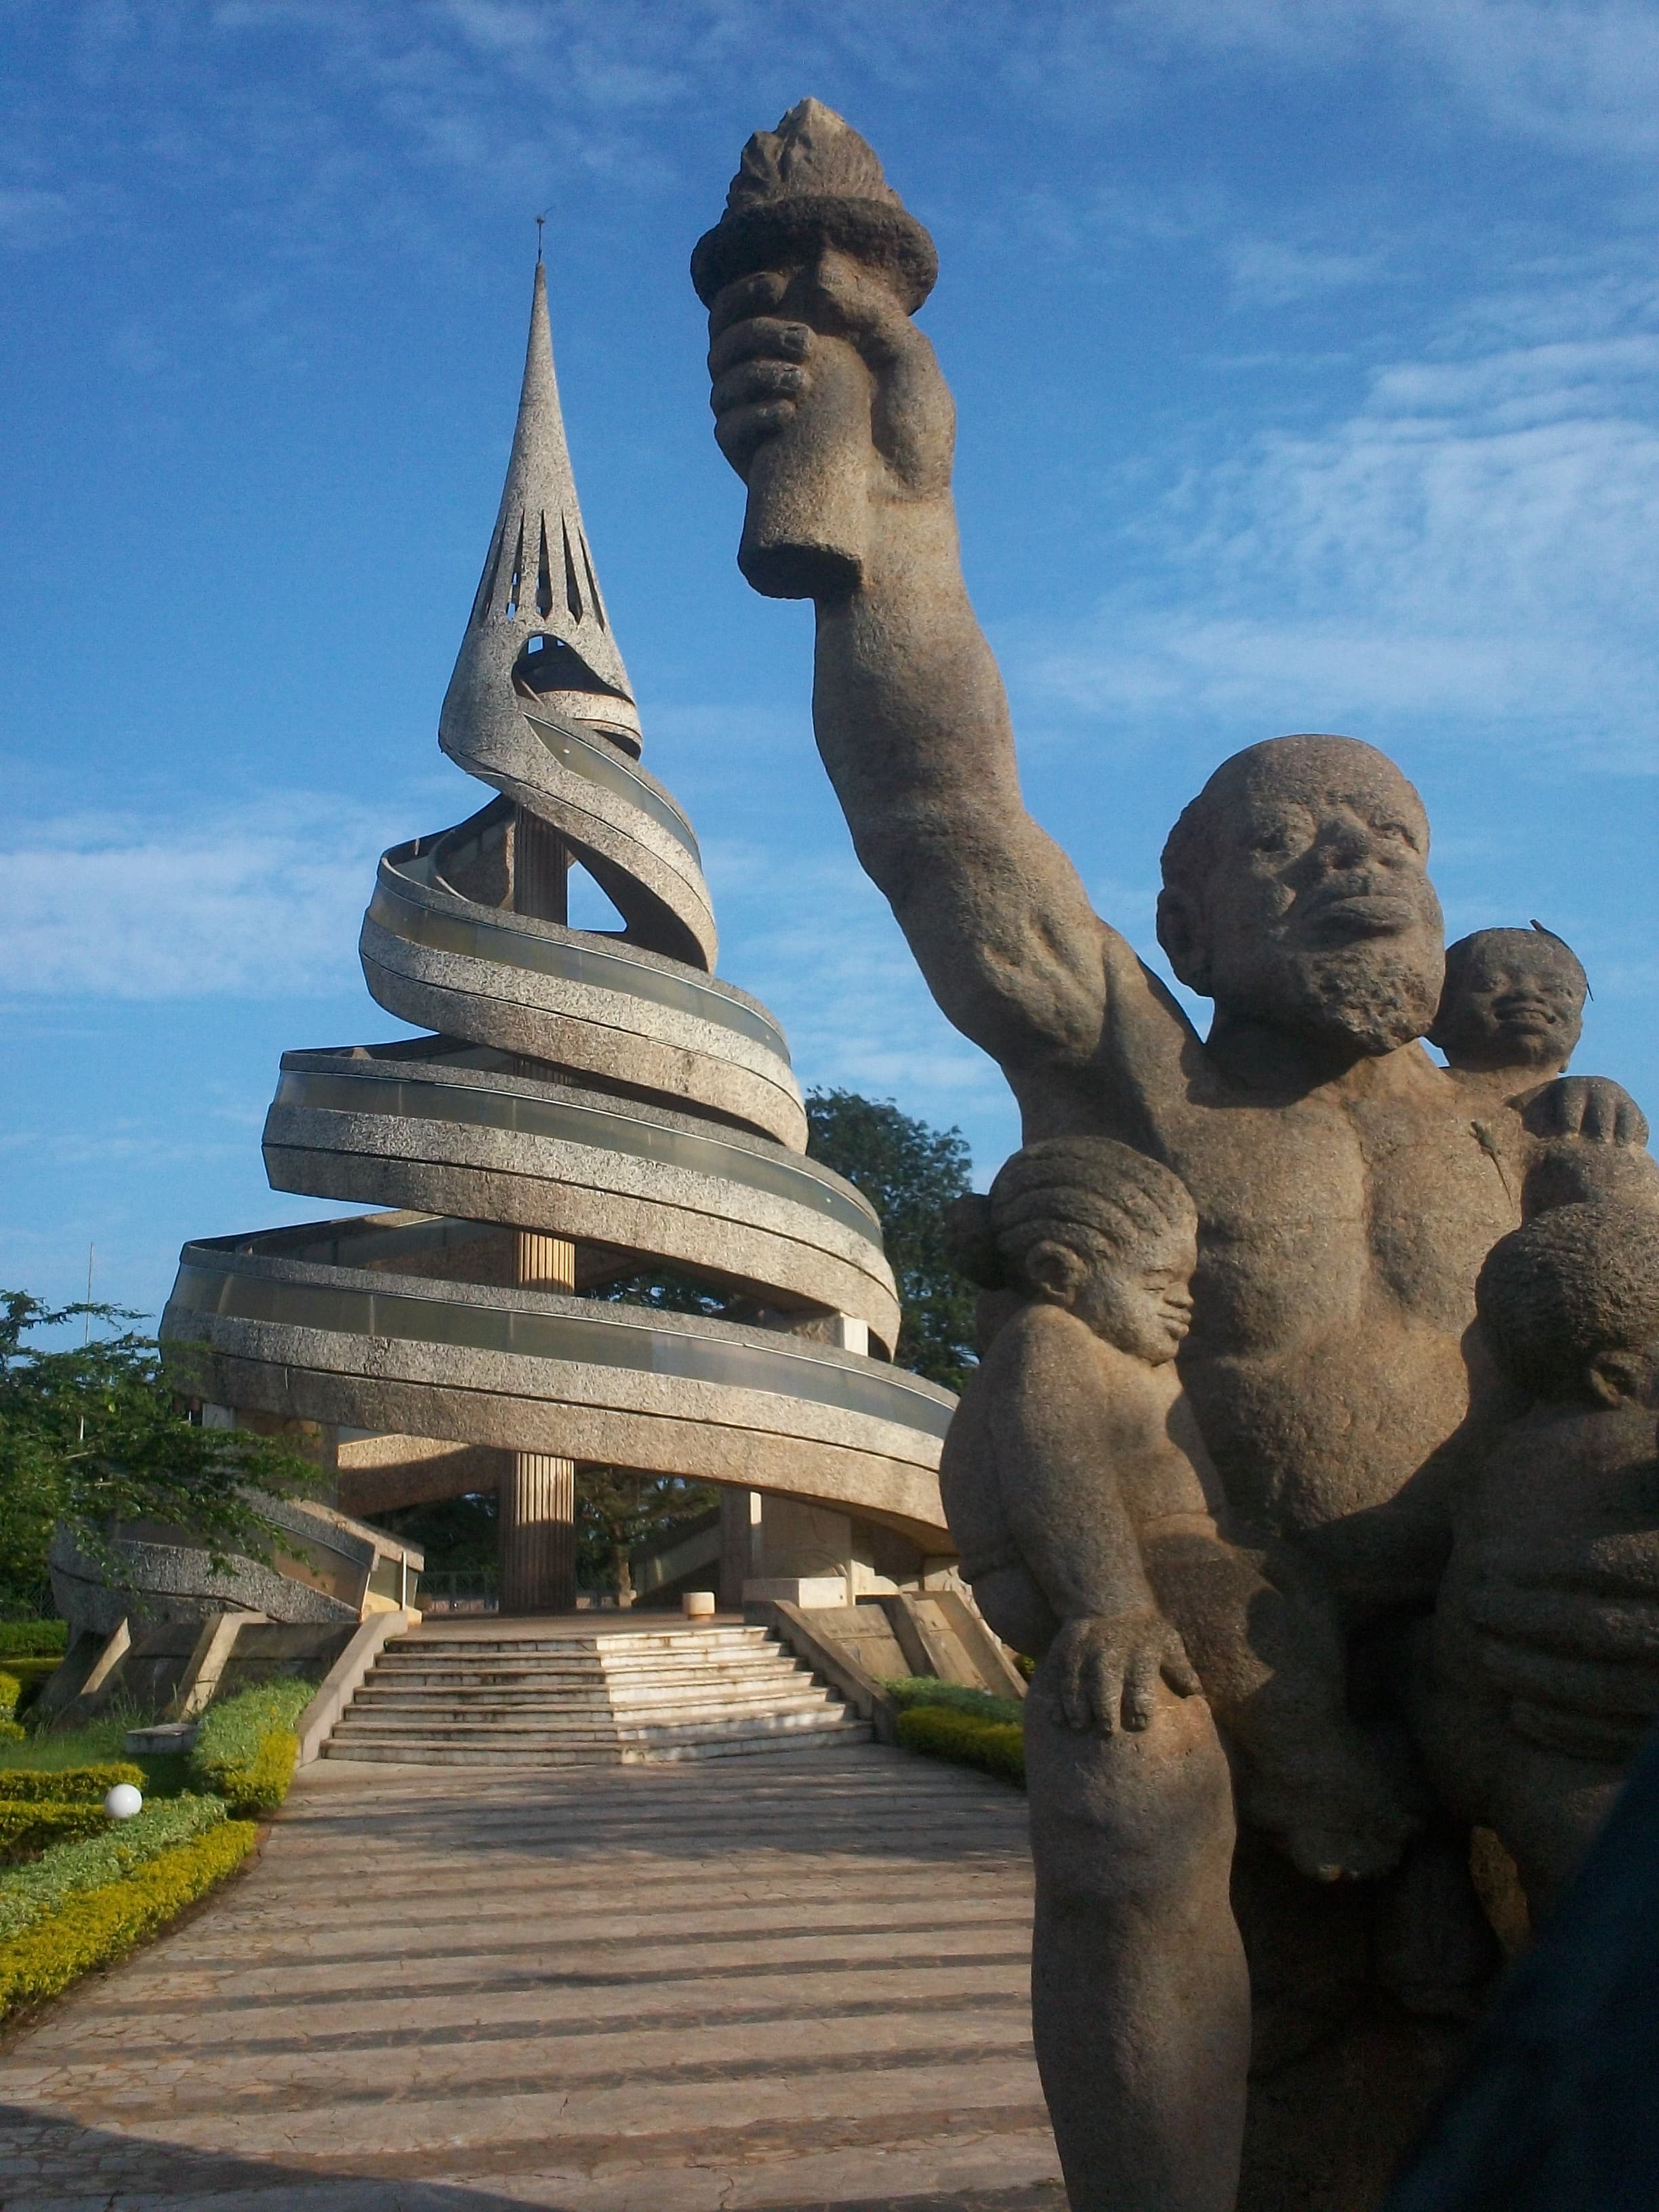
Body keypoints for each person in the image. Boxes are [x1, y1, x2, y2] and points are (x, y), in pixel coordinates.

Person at [942, 1134, 1414, 1886]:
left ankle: (1297, 1765)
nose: (1184, 1304)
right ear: (1059, 1274)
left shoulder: (1141, 1363)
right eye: (1160, 1285)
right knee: (1246, 1642)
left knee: (1287, 1602)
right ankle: (1326, 1788)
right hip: (1103, 1579)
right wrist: (1112, 1606)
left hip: (1182, 1553)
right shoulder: (1049, 1342)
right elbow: (1056, 1481)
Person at [1416, 1200, 1659, 1917]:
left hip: (1550, 1802)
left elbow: (1462, 1666)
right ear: (1617, 1377)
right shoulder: (1637, 1461)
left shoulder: (1502, 1474)